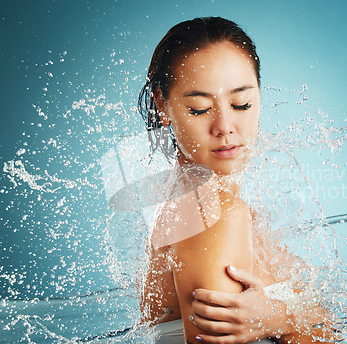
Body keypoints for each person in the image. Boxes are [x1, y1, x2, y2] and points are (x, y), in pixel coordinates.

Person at [137, 17, 328, 344]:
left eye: (242, 103)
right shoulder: (213, 218)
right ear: (162, 105)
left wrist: (279, 317)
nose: (224, 126)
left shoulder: (206, 212)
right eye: (199, 108)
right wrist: (285, 319)